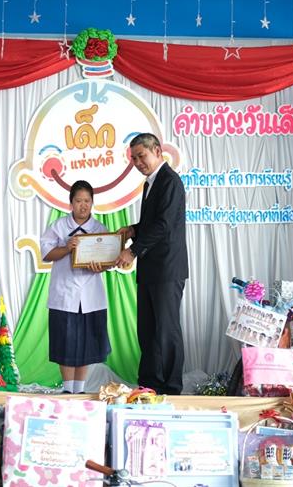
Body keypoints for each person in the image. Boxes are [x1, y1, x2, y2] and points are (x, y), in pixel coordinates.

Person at [114, 133, 188, 395]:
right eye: (133, 158)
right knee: (147, 330)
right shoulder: (150, 183)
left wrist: (132, 251)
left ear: (157, 151)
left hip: (167, 268)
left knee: (166, 330)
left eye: (141, 156)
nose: (137, 163)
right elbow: (152, 223)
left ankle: (172, 387)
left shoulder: (170, 181)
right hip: (150, 269)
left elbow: (164, 225)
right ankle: (149, 384)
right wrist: (133, 229)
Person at [41, 180, 111, 394]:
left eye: (87, 201)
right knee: (65, 342)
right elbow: (47, 254)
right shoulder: (59, 227)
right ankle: (67, 389)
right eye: (79, 201)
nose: (83, 205)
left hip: (91, 295)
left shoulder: (99, 229)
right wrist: (66, 247)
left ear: (92, 203)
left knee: (87, 343)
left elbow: (108, 260)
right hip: (64, 294)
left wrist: (101, 266)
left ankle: (79, 390)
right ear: (71, 203)